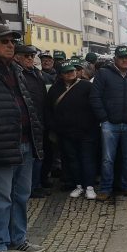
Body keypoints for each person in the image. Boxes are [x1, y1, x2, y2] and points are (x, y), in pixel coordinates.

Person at [0, 25, 45, 252]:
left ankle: (18, 239)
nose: (10, 45)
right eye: (4, 41)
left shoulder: (16, 69)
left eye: (12, 41)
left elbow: (27, 102)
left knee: (20, 195)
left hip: (25, 142)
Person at [90, 45, 127, 201]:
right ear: (115, 59)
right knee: (107, 159)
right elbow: (95, 98)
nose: (125, 60)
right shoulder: (104, 74)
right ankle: (106, 188)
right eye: (122, 57)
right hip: (110, 124)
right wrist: (104, 118)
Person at [46, 61, 100, 201]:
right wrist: (54, 127)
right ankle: (78, 185)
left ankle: (89, 186)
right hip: (66, 132)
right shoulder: (54, 89)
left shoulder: (87, 86)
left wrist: (94, 124)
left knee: (87, 158)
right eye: (67, 71)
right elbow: (48, 110)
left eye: (73, 70)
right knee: (72, 159)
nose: (71, 73)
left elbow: (96, 105)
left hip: (87, 131)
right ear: (60, 75)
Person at [15, 44, 49, 198]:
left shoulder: (37, 73)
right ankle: (33, 187)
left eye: (32, 56)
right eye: (26, 55)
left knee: (39, 155)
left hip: (40, 120)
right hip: (27, 121)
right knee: (32, 157)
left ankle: (37, 184)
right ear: (17, 57)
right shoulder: (18, 74)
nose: (30, 58)